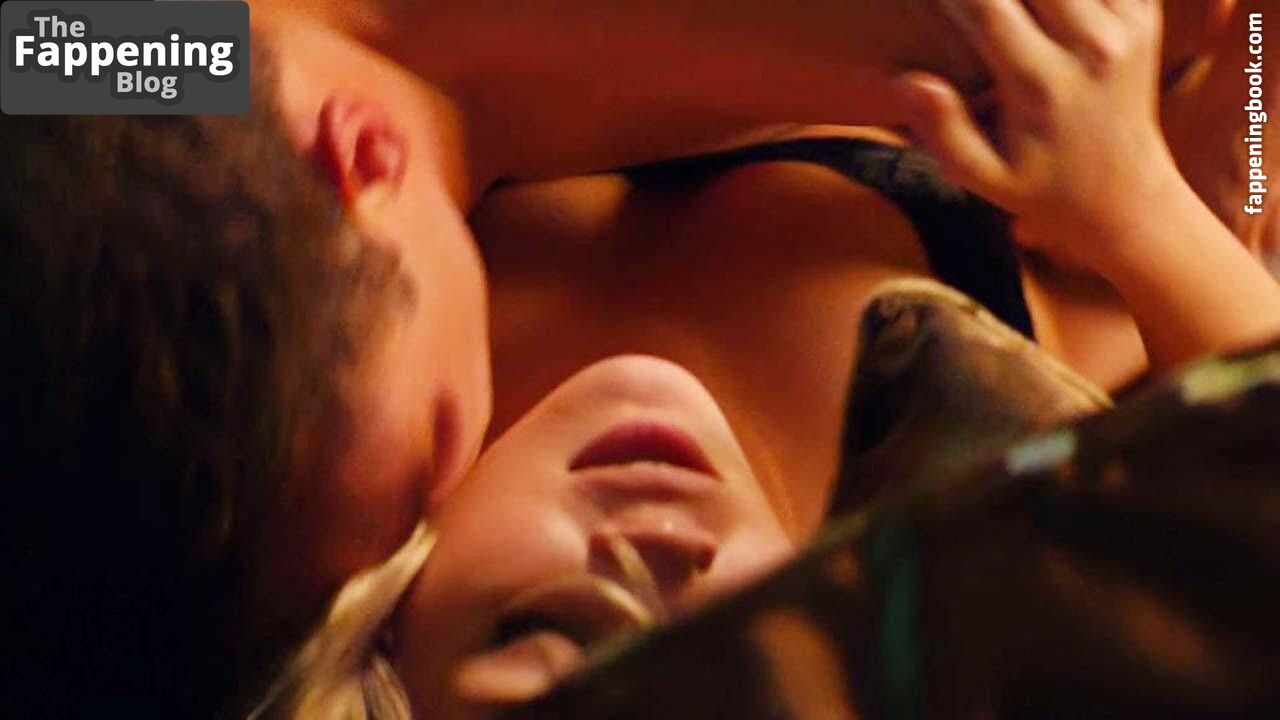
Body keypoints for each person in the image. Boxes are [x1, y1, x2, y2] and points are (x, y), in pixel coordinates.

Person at [251, 1, 1280, 717]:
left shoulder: (309, 433)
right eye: (742, 665)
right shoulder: (970, 479)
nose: (658, 554)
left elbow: (145, 44)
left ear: (375, 663)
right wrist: (1145, 211)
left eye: (541, 630)